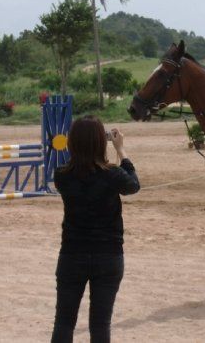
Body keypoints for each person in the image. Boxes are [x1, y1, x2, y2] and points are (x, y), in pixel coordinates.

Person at [51, 116, 140, 343]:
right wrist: (121, 150)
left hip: (72, 254)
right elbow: (133, 185)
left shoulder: (61, 175)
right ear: (102, 142)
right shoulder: (112, 174)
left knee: (63, 322)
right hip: (108, 255)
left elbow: (78, 168)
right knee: (100, 325)